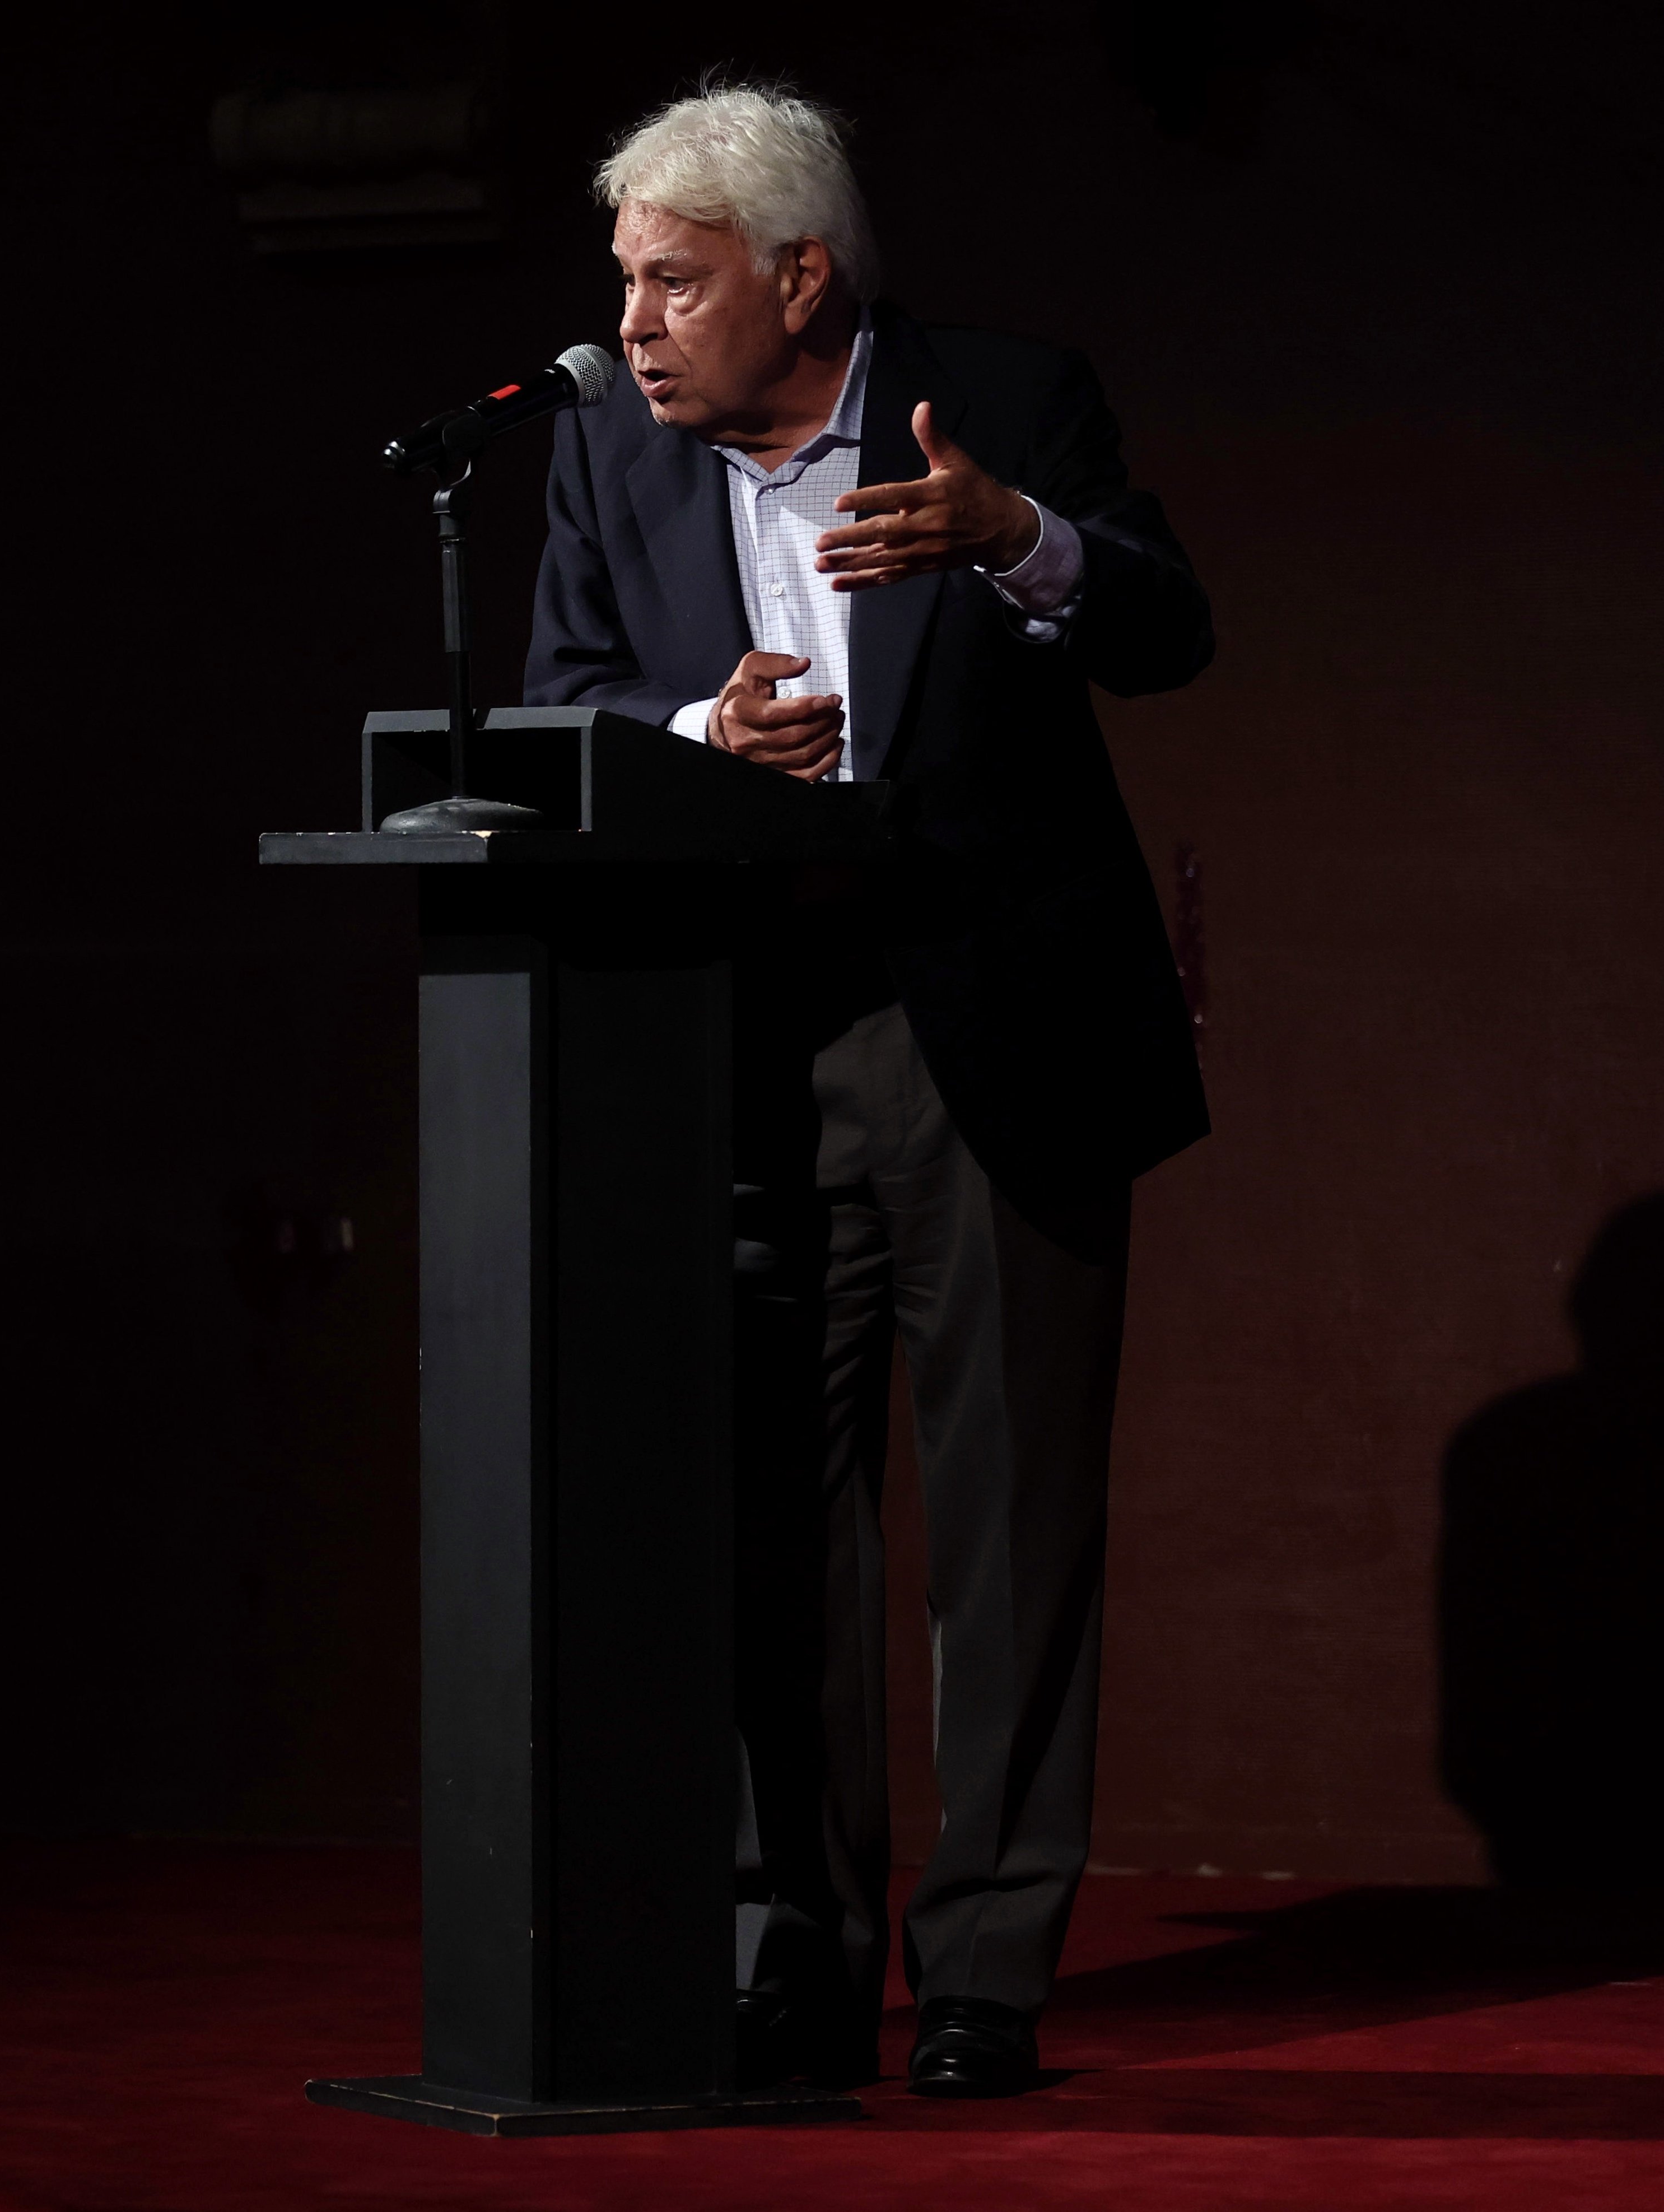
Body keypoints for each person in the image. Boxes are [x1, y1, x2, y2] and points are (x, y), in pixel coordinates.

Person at [523, 82, 1211, 2098]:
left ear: (800, 275)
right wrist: (684, 733)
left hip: (989, 1025)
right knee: (761, 1527)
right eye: (626, 284)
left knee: (1009, 1534)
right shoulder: (594, 454)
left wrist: (1021, 539)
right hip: (733, 1041)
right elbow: (564, 699)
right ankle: (789, 1956)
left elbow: (1170, 627)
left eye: (677, 282)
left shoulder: (1003, 394)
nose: (635, 326)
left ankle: (986, 1970)